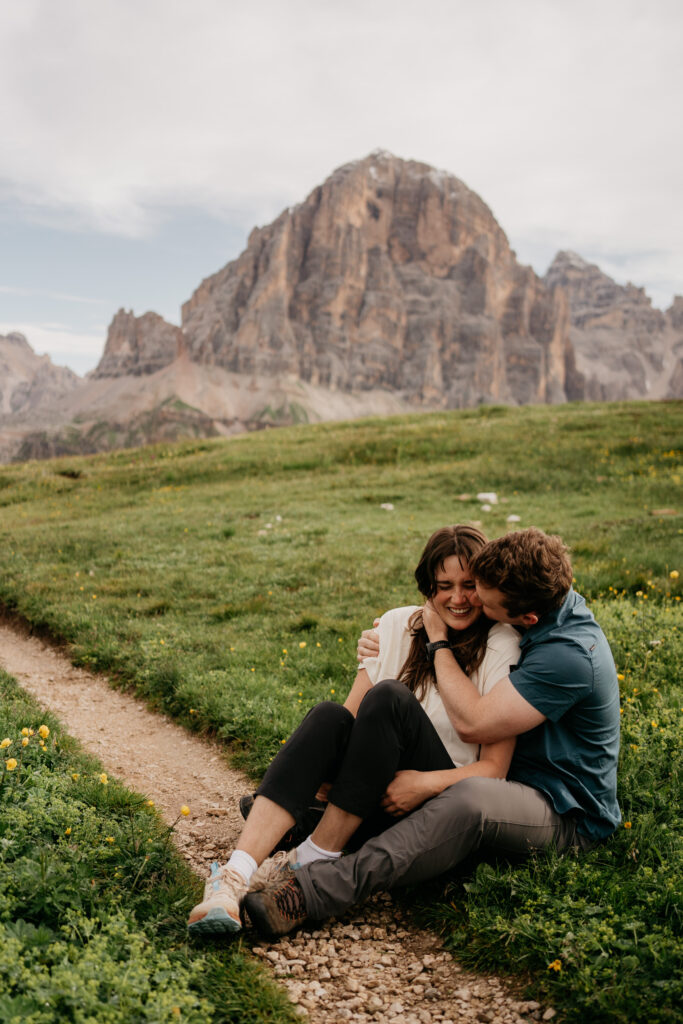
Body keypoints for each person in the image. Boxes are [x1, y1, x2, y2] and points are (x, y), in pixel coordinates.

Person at [243, 527, 621, 940]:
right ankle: (315, 826)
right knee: (394, 723)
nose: (471, 601)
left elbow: (473, 724)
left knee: (469, 798)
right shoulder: (544, 599)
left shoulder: (567, 656)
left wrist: (438, 642)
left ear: (526, 618)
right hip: (509, 780)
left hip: (562, 809)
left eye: (484, 600)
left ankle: (316, 890)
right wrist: (388, 635)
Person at [188, 524, 521, 936]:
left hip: (437, 804)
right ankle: (233, 877)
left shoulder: (501, 643)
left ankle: (310, 855)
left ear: (486, 583)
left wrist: (423, 784)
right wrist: (326, 773)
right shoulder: (399, 624)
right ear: (427, 588)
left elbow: (495, 770)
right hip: (371, 795)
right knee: (329, 715)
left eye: (469, 585)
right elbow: (348, 720)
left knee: (390, 698)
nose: (457, 598)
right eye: (444, 585)